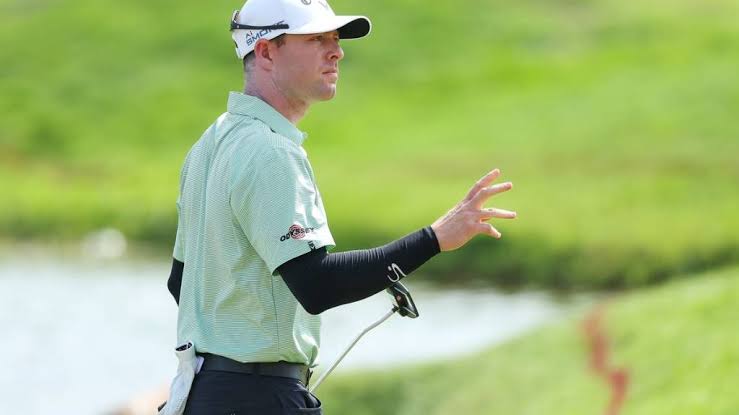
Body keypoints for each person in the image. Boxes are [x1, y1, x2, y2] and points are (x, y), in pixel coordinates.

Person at [164, 0, 517, 413]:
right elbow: (317, 286)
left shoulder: (210, 144)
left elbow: (180, 282)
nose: (337, 51)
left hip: (204, 394)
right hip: (256, 399)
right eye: (316, 39)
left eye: (335, 39)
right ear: (265, 51)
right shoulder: (271, 153)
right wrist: (435, 239)